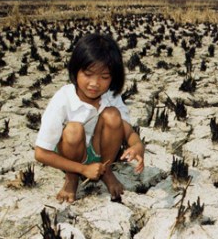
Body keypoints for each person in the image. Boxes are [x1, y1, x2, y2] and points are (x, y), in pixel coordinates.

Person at [34, 33, 145, 203]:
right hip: (70, 154)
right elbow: (41, 153)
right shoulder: (63, 98)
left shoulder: (111, 97)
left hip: (100, 152)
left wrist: (137, 147)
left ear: (113, 78)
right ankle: (71, 179)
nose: (94, 83)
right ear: (75, 71)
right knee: (74, 129)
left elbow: (128, 133)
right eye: (88, 74)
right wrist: (82, 169)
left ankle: (106, 171)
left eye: (104, 77)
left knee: (112, 115)